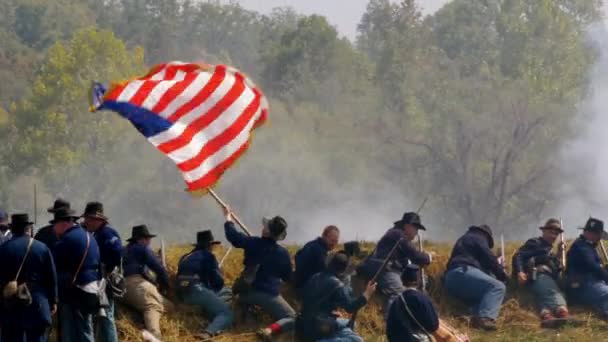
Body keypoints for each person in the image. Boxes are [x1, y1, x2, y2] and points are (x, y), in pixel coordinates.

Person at [222, 207, 295, 341]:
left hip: (245, 292)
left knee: (244, 303)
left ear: (267, 230)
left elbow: (233, 236)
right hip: (268, 295)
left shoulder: (253, 242)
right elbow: (288, 277)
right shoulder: (283, 254)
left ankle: (246, 312)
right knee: (292, 318)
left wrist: (228, 217)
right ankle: (268, 330)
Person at [357, 212, 431, 315]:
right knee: (397, 293)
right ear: (407, 226)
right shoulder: (398, 235)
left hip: (393, 270)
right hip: (385, 270)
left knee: (424, 279)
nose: (417, 232)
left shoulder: (397, 234)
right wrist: (428, 257)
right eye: (416, 228)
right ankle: (391, 321)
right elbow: (415, 256)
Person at [0, 213, 57, 342]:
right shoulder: (42, 248)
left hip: (11, 303)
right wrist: (53, 300)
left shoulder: (3, 249)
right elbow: (51, 278)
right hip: (37, 303)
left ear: (12, 229)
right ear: (28, 228)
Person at [296, 252, 376, 342]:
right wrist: (367, 294)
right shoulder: (337, 284)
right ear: (343, 269)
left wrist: (329, 314)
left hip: (304, 323)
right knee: (357, 340)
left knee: (352, 324)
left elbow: (312, 301)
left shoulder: (315, 276)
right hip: (317, 329)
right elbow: (351, 307)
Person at [443, 225, 508, 331]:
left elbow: (483, 263)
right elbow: (488, 257)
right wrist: (502, 274)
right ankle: (486, 318)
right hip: (463, 273)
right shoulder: (478, 237)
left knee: (485, 298)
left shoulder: (465, 240)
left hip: (453, 277)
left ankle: (470, 318)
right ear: (486, 236)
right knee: (497, 287)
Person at [52, 207, 102, 342]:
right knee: (85, 327)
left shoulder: (67, 240)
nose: (53, 228)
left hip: (75, 290)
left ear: (63, 223)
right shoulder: (89, 236)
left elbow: (54, 267)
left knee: (73, 331)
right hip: (91, 288)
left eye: (54, 224)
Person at [176, 230, 234, 340]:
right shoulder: (208, 256)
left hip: (183, 295)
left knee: (213, 298)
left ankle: (212, 320)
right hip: (196, 290)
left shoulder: (185, 256)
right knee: (227, 313)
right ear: (209, 245)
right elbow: (218, 282)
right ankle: (208, 332)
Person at [512, 218, 568, 326]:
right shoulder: (535, 243)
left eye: (556, 234)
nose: (553, 236)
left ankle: (546, 315)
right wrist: (520, 272)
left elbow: (556, 270)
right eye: (551, 232)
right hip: (534, 276)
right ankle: (562, 312)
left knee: (549, 291)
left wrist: (559, 254)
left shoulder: (551, 251)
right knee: (551, 290)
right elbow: (518, 256)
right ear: (544, 231)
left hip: (546, 278)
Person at [121, 225, 172, 340]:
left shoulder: (124, 249)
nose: (149, 241)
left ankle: (140, 322)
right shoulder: (142, 248)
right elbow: (159, 269)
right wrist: (167, 286)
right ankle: (155, 336)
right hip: (135, 283)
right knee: (152, 306)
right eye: (147, 238)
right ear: (141, 239)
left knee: (168, 306)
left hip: (121, 287)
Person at [81, 202, 121, 342]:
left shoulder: (107, 233)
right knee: (101, 315)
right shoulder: (97, 233)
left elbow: (116, 253)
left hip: (105, 279)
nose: (86, 222)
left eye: (89, 219)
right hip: (99, 278)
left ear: (97, 219)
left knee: (107, 315)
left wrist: (107, 269)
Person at [565, 217, 608, 318]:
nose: (597, 237)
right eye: (593, 233)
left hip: (593, 284)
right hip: (583, 286)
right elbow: (594, 267)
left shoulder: (587, 246)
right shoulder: (581, 247)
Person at [386, 264, 439, 342]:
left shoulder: (395, 302)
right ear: (417, 281)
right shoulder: (423, 299)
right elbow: (433, 325)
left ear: (402, 280)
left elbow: (390, 331)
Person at [294, 225, 340, 290]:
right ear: (324, 236)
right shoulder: (320, 251)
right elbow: (325, 273)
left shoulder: (312, 244)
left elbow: (297, 256)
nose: (334, 244)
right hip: (306, 287)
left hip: (299, 282)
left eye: (336, 241)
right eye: (332, 241)